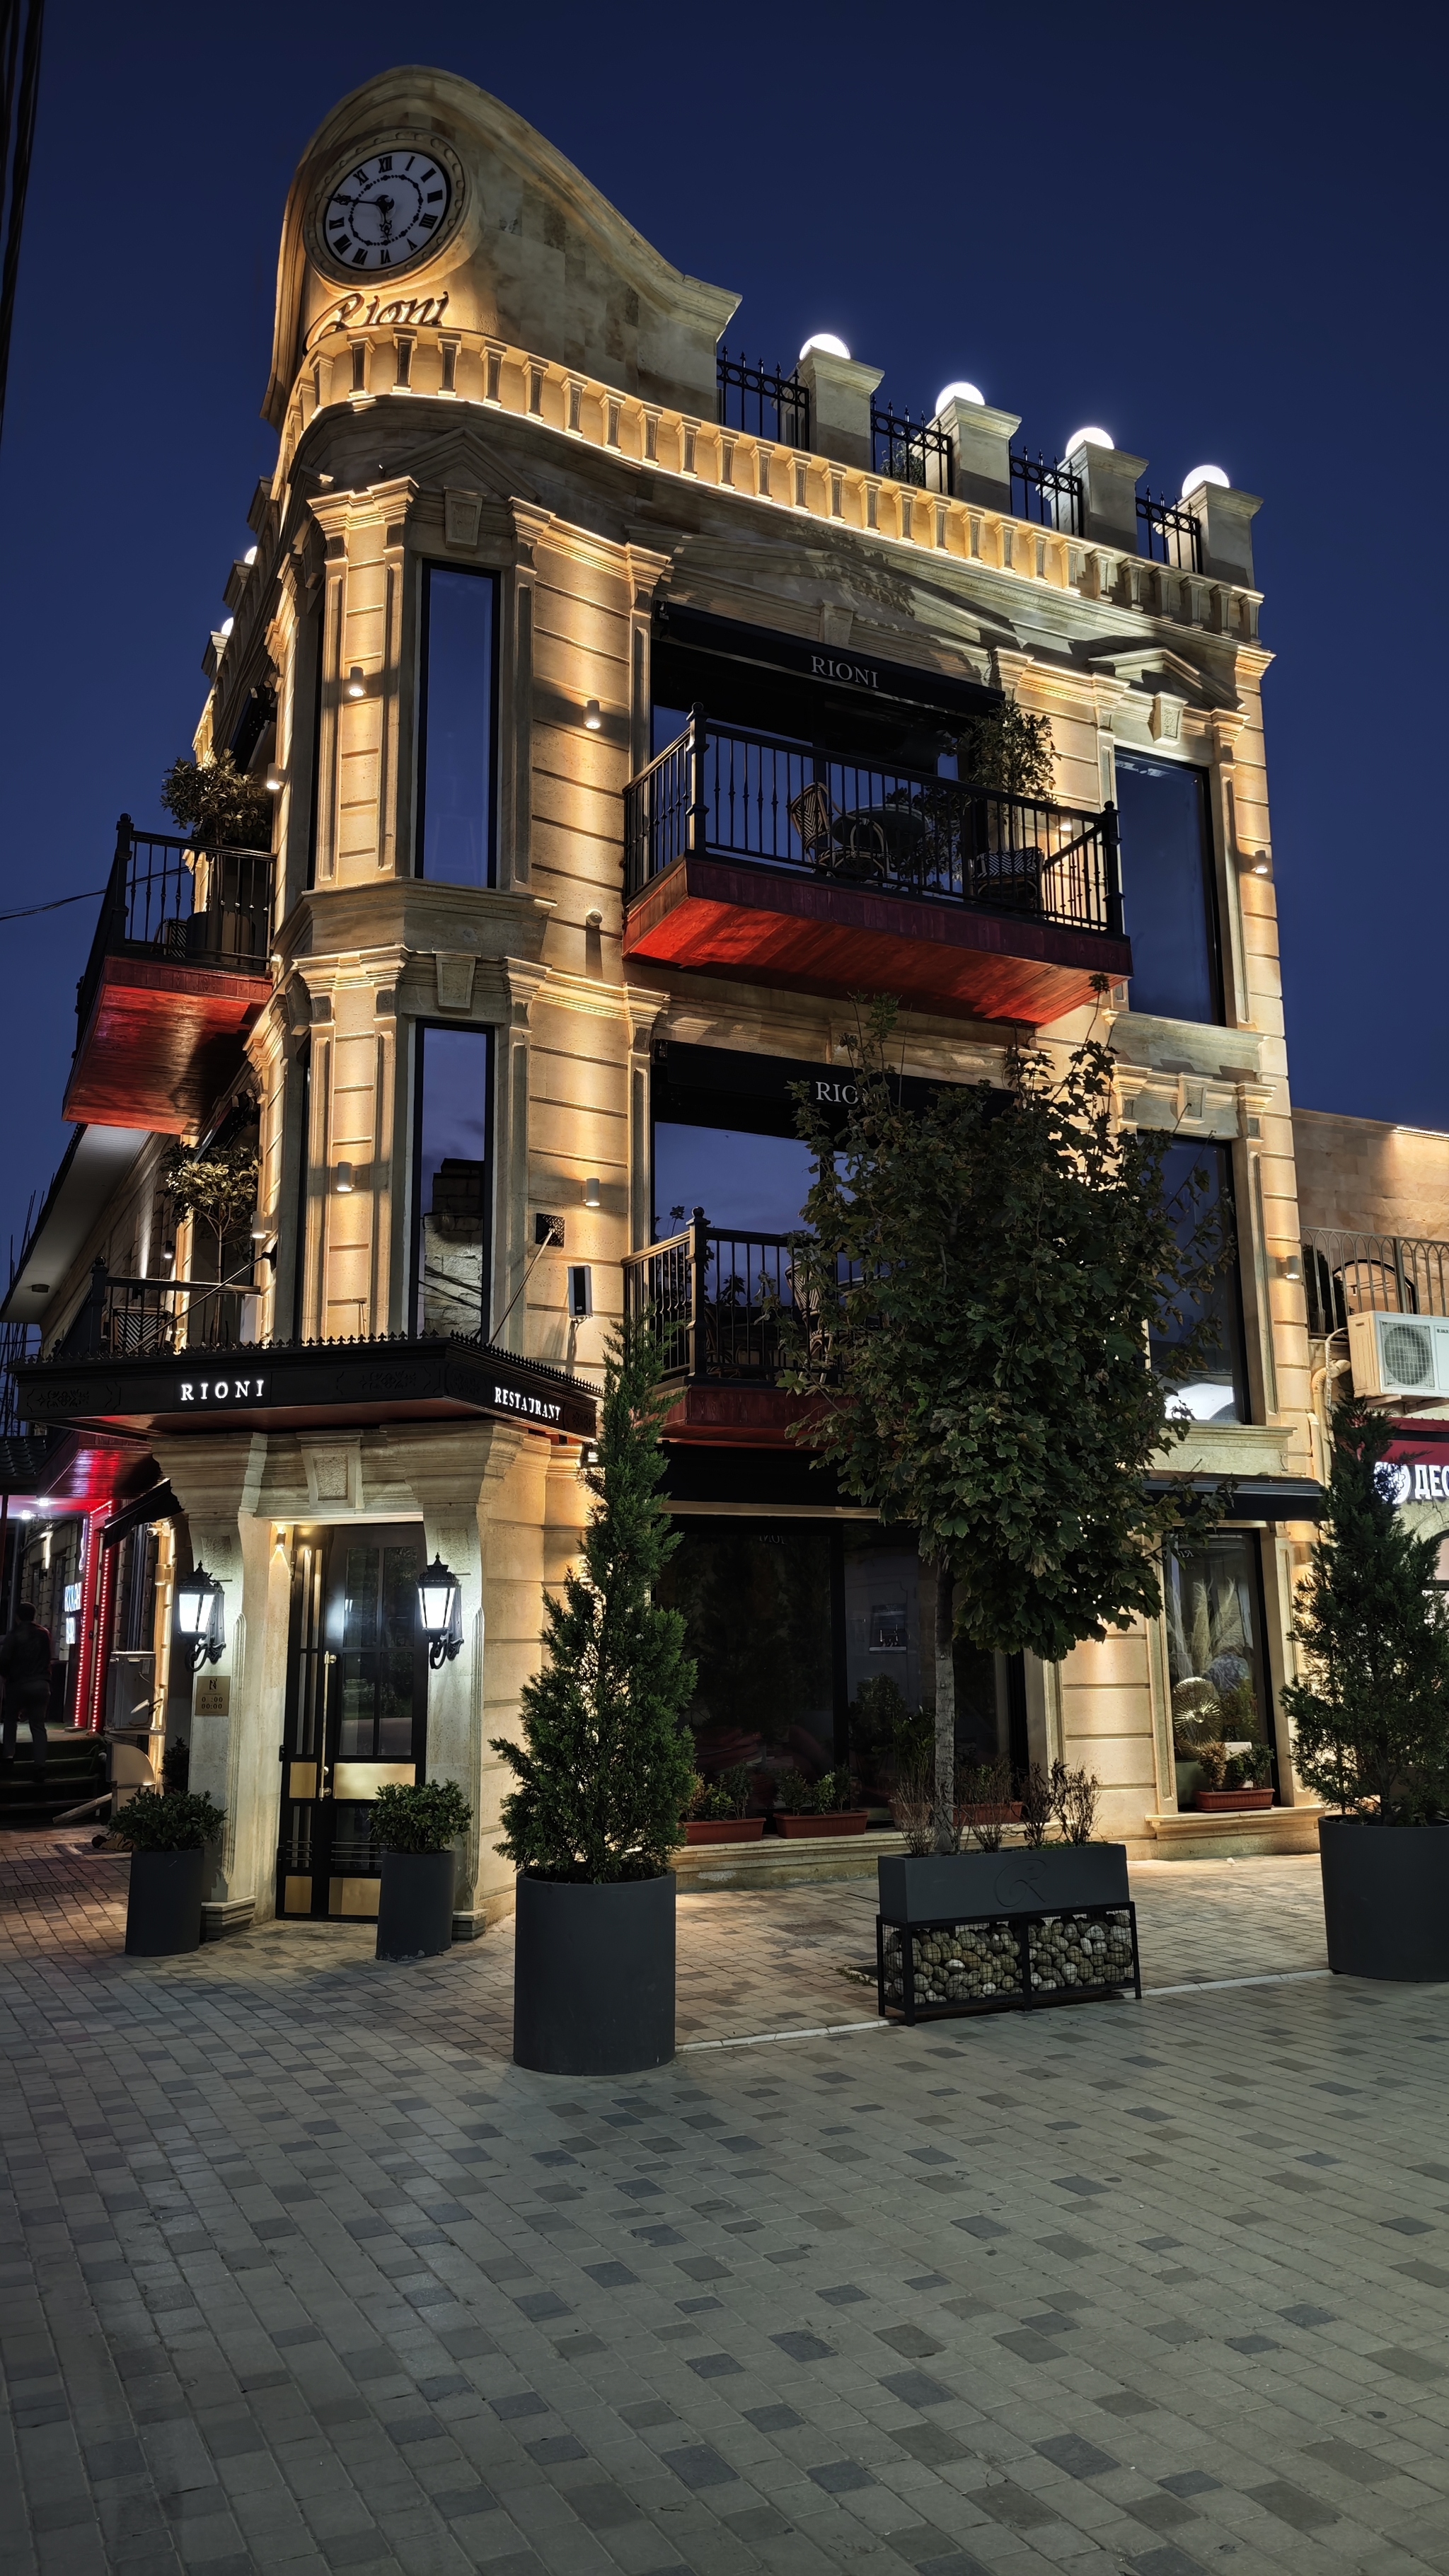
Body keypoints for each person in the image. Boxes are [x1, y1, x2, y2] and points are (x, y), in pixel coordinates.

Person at [0, 1602, 53, 1778]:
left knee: (10, 1719)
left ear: (17, 1617)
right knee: (38, 1725)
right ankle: (40, 1766)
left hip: (18, 1684)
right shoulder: (44, 1634)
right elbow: (48, 1657)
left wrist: (6, 1677)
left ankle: (8, 1757)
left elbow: (5, 1660)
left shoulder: (14, 1635)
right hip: (41, 1684)